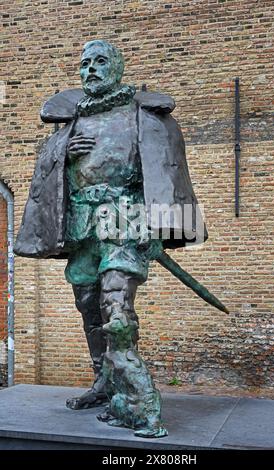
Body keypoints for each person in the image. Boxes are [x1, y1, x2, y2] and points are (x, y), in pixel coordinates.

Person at [14, 40, 207, 409]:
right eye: (85, 63)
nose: (91, 69)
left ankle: (137, 400)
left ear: (116, 68)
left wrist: (163, 234)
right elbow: (48, 178)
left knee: (115, 304)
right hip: (83, 224)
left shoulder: (144, 115)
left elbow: (169, 175)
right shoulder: (68, 125)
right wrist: (63, 154)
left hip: (124, 219)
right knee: (88, 303)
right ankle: (103, 380)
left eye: (100, 62)